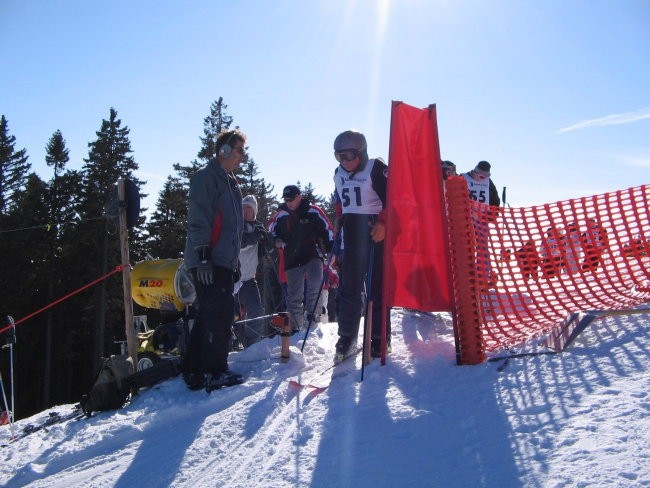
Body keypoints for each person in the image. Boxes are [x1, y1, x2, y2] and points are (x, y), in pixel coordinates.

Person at [182, 129, 246, 392]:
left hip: (222, 260)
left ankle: (194, 370)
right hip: (208, 259)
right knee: (219, 315)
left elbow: (233, 228)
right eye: (240, 150)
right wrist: (204, 256)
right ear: (225, 151)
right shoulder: (207, 178)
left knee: (209, 313)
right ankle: (214, 371)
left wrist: (234, 262)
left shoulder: (230, 183)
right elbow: (199, 219)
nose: (243, 156)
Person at [332, 129, 388, 362]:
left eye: (349, 155)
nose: (344, 162)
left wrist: (384, 223)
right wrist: (338, 219)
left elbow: (393, 198)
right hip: (351, 233)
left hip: (374, 231)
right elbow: (338, 200)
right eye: (338, 156)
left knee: (376, 287)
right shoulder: (338, 173)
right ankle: (347, 336)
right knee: (349, 288)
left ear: (361, 152)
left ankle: (379, 337)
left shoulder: (375, 168)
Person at [269, 185, 334, 333]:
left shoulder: (313, 211)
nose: (288, 202)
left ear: (299, 197)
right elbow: (271, 230)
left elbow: (327, 230)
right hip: (292, 258)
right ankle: (295, 326)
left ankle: (313, 316)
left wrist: (330, 250)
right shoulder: (281, 214)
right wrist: (276, 240)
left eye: (291, 199)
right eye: (286, 199)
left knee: (316, 280)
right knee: (294, 294)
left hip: (312, 254)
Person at [235, 195, 270, 347]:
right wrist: (256, 237)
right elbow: (240, 244)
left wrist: (266, 240)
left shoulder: (258, 227)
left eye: (249, 208)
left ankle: (252, 345)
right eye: (243, 208)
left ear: (254, 210)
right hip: (232, 278)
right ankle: (231, 343)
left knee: (256, 311)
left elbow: (267, 247)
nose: (245, 211)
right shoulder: (236, 225)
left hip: (249, 279)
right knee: (232, 314)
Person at [461, 161, 501, 286]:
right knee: (465, 246)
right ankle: (465, 274)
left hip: (481, 219)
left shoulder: (489, 182)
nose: (483, 179)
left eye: (486, 176)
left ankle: (482, 276)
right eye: (481, 176)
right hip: (464, 218)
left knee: (483, 247)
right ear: (475, 171)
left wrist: (493, 213)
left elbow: (495, 199)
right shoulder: (463, 178)